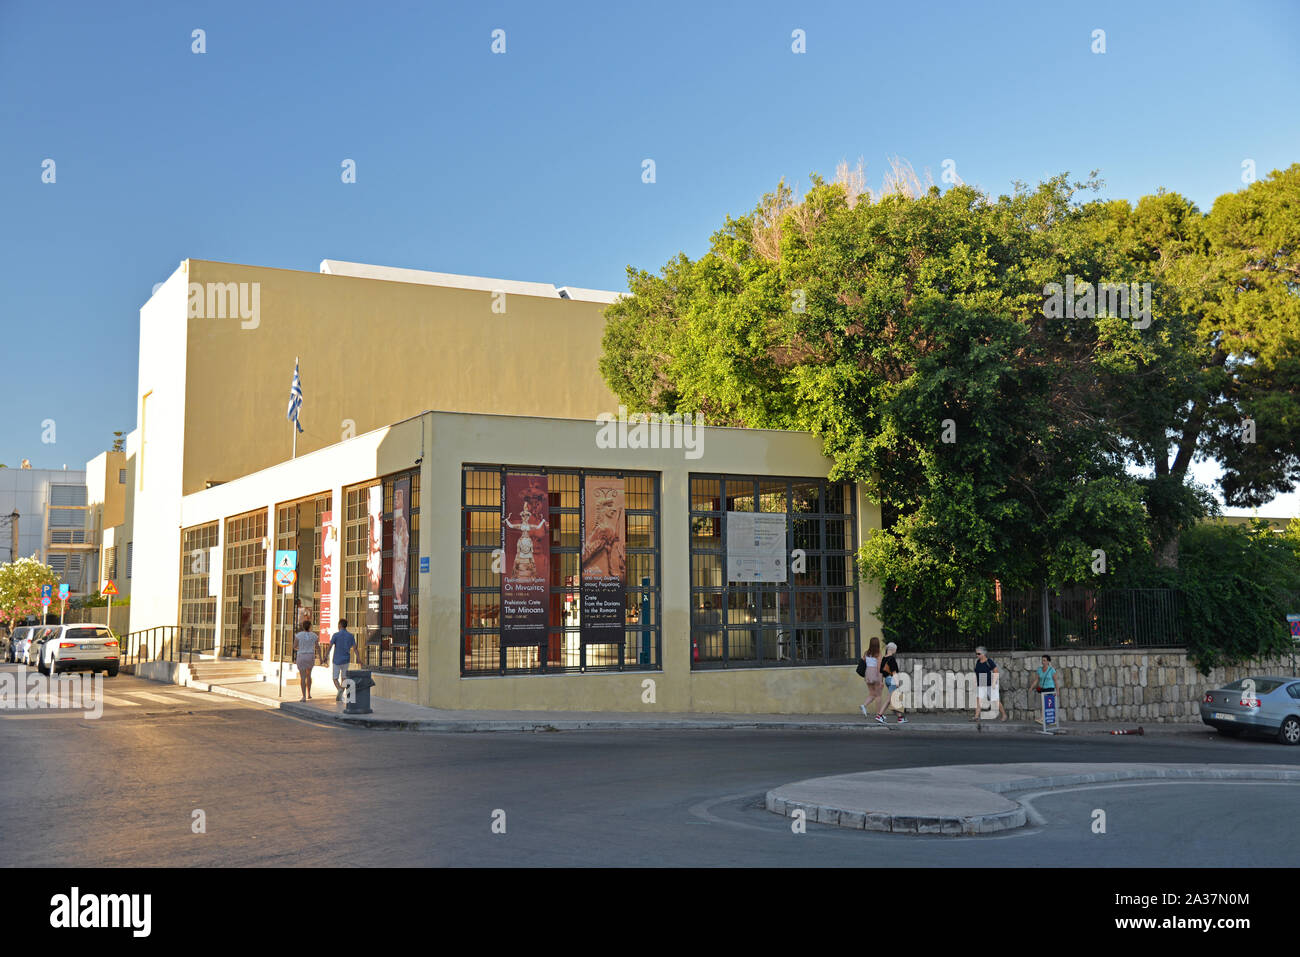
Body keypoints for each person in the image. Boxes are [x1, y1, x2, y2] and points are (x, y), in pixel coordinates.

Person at [325, 618, 357, 701]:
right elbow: (355, 648)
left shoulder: (335, 635)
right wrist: (359, 658)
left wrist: (325, 656)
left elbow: (330, 646)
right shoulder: (351, 636)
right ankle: (341, 692)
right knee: (344, 678)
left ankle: (339, 689)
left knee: (335, 678)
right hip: (346, 659)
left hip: (336, 660)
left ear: (339, 625)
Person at [972, 646, 1007, 721]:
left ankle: (1004, 715)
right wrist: (975, 682)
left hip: (990, 683)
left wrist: (994, 683)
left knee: (995, 701)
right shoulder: (978, 662)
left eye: (978, 653)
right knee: (979, 700)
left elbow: (996, 672)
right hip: (981, 682)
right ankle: (976, 716)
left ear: (983, 654)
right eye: (976, 653)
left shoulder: (989, 661)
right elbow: (977, 673)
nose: (977, 655)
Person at [876, 641, 907, 724]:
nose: (896, 651)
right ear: (892, 649)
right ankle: (880, 715)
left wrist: (881, 682)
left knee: (893, 700)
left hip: (886, 680)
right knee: (889, 699)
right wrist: (897, 683)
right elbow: (894, 672)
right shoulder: (892, 658)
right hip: (892, 680)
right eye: (895, 649)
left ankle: (900, 718)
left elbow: (881, 672)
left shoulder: (884, 658)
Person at [859, 638, 885, 720]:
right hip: (875, 674)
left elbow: (863, 663)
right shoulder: (878, 654)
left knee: (872, 694)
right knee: (878, 696)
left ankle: (864, 705)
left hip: (868, 674)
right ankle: (879, 714)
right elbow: (879, 668)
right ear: (877, 644)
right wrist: (881, 681)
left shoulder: (866, 653)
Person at [294, 618, 318, 702]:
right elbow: (317, 647)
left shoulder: (298, 635)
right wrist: (321, 658)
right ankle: (309, 694)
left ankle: (303, 696)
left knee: (303, 677)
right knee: (309, 675)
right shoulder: (314, 635)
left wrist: (300, 648)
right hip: (310, 656)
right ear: (310, 626)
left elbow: (295, 646)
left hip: (301, 656)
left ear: (303, 627)